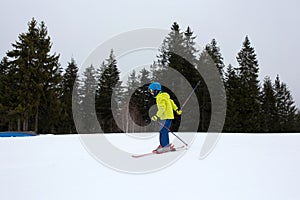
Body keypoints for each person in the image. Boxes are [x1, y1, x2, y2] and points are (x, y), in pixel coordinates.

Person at [148, 82, 182, 154]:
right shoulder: (165, 96)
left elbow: (162, 109)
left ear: (156, 90)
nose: (151, 93)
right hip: (168, 117)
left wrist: (156, 116)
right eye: (150, 91)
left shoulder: (160, 98)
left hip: (165, 117)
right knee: (163, 131)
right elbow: (172, 103)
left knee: (163, 131)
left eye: (151, 91)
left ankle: (165, 146)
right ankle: (163, 145)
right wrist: (177, 110)